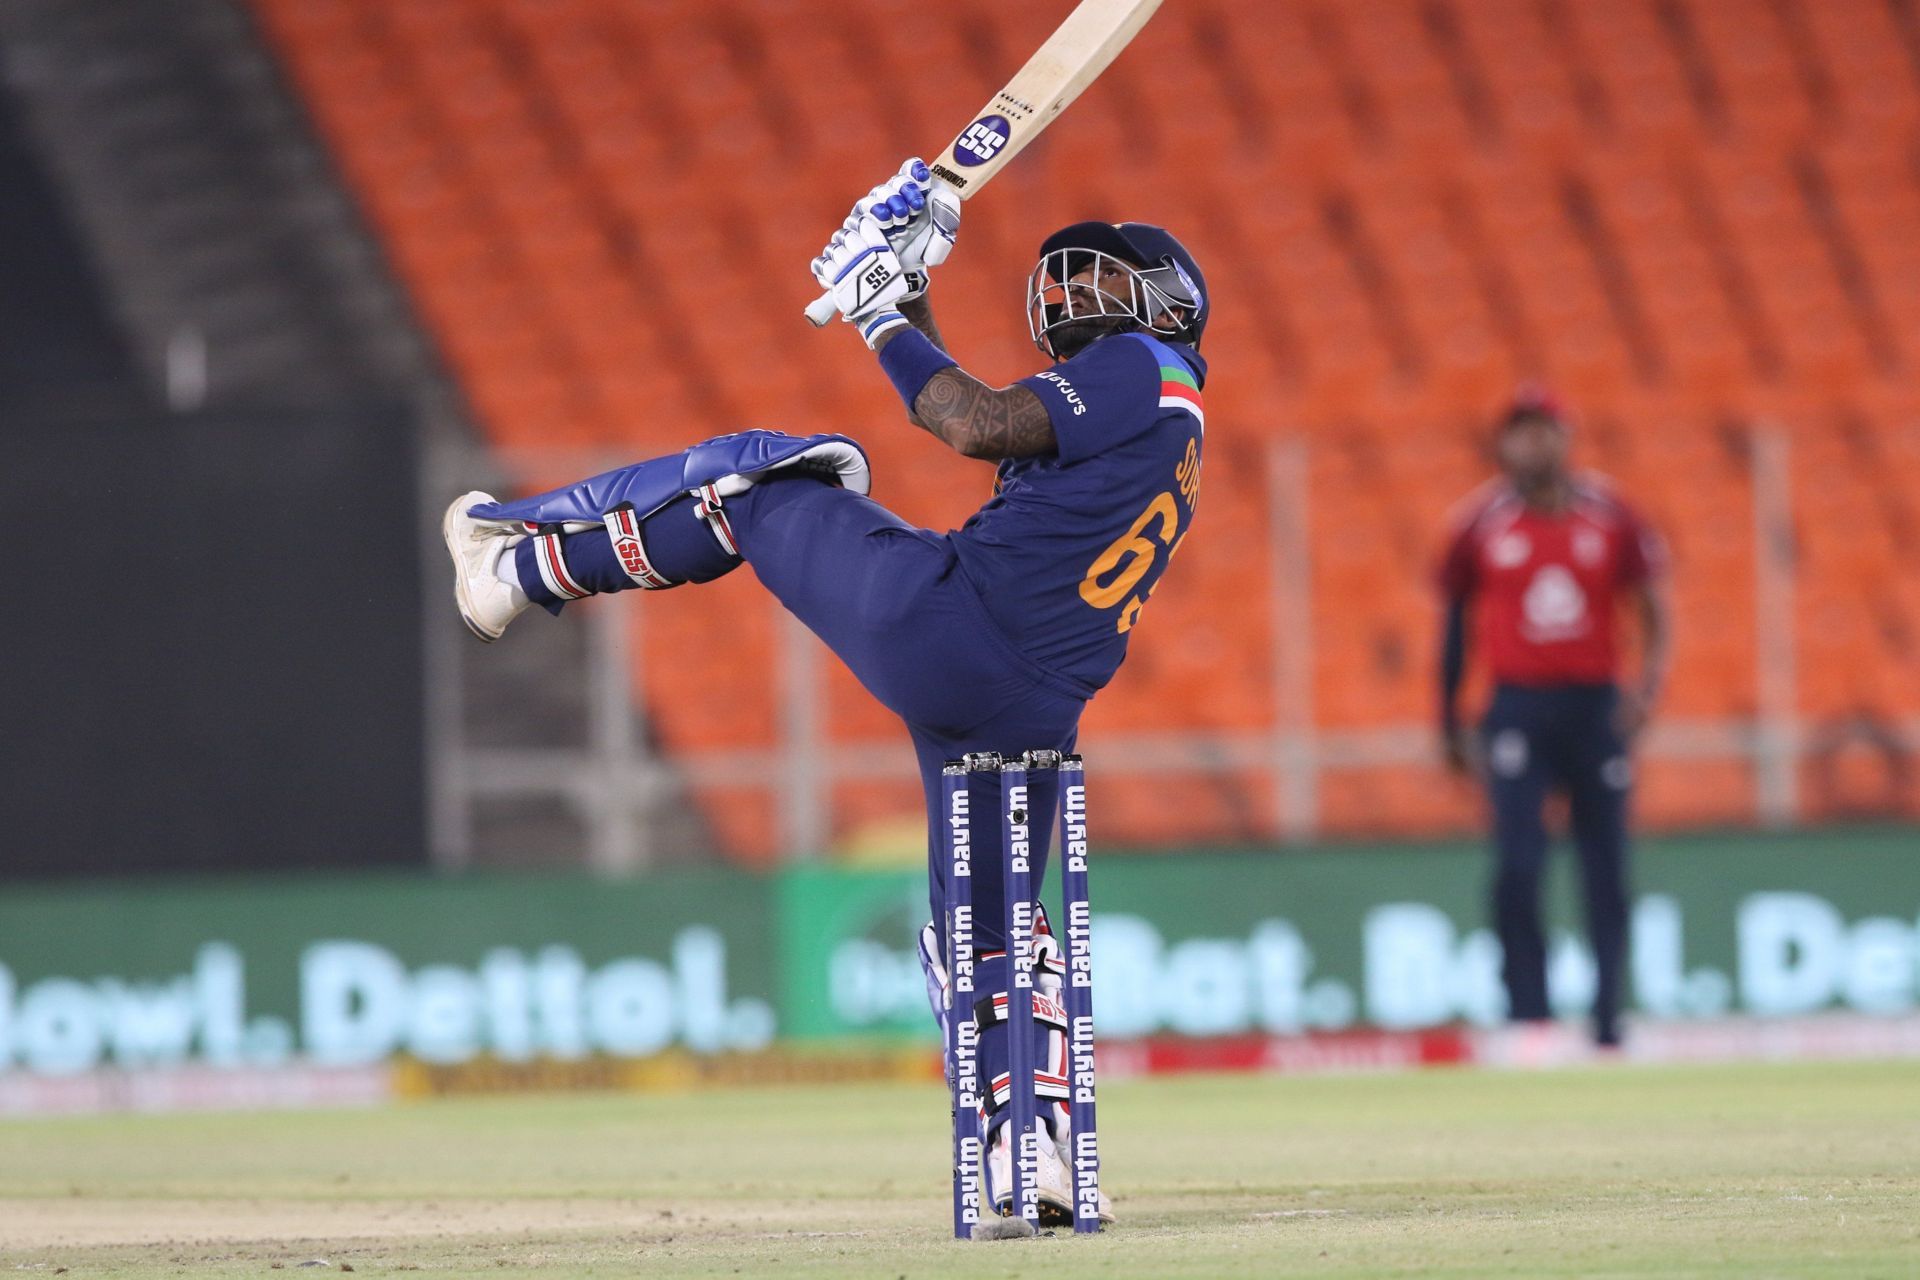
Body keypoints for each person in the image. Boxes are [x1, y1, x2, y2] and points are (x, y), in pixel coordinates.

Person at [440, 160, 1208, 1222]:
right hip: (1031, 699)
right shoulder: (1148, 424)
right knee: (992, 932)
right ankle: (1023, 1154)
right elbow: (979, 415)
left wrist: (875, 314)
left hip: (945, 626)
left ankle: (512, 567)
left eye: (1110, 277)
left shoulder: (1149, 364)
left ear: (1173, 303)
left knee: (769, 475)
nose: (1079, 292)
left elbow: (971, 423)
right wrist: (907, 286)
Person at [1436, 389, 1670, 1050]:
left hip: (1596, 705)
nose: (1531, 446)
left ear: (1566, 438)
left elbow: (1651, 607)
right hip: (1517, 706)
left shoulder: (1612, 515)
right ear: (1503, 445)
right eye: (1519, 433)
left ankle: (1607, 1023)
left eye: (1543, 432)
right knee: (1518, 864)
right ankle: (1527, 1018)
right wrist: (1448, 719)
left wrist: (1646, 690)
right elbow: (1454, 627)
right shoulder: (1481, 523)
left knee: (1606, 868)